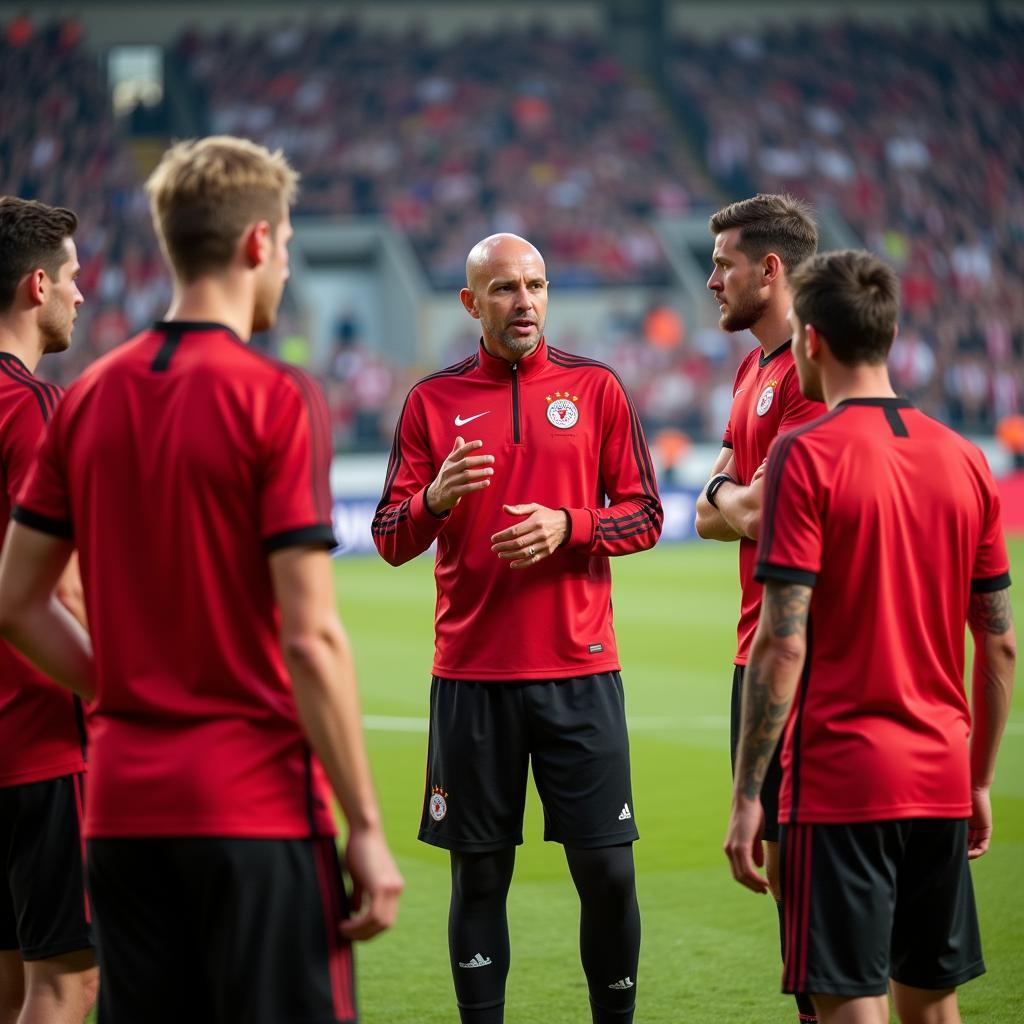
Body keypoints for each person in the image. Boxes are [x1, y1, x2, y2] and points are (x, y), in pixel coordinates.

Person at [0, 137, 403, 1024]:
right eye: (290, 245)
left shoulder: (91, 396)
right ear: (258, 243)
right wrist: (367, 827)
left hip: (121, 807)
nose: (287, 266)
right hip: (252, 801)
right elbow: (311, 634)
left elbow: (18, 600)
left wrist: (123, 690)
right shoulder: (277, 396)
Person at [373, 233, 662, 1024]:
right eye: (504, 289)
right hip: (472, 677)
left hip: (580, 672)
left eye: (535, 285)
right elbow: (389, 537)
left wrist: (567, 526)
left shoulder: (596, 388)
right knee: (479, 878)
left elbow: (645, 514)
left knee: (608, 874)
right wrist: (433, 499)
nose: (524, 302)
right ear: (471, 303)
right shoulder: (431, 401)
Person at [725, 250, 1016, 1024]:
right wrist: (979, 779)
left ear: (810, 340)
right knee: (932, 1005)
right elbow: (998, 643)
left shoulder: (804, 453)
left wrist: (750, 793)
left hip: (842, 783)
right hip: (940, 778)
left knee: (853, 1005)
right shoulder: (966, 460)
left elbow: (783, 642)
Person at [694, 193, 821, 1024]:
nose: (711, 281)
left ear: (769, 270)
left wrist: (728, 492)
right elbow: (711, 513)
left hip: (800, 655)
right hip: (752, 657)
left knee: (817, 909)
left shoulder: (817, 369)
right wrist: (730, 492)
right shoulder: (751, 369)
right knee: (790, 909)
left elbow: (758, 509)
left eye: (723, 265)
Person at [0, 197, 95, 1024]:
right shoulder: (30, 406)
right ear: (37, 285)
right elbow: (56, 588)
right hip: (36, 739)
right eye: (72, 278)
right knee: (64, 983)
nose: (81, 295)